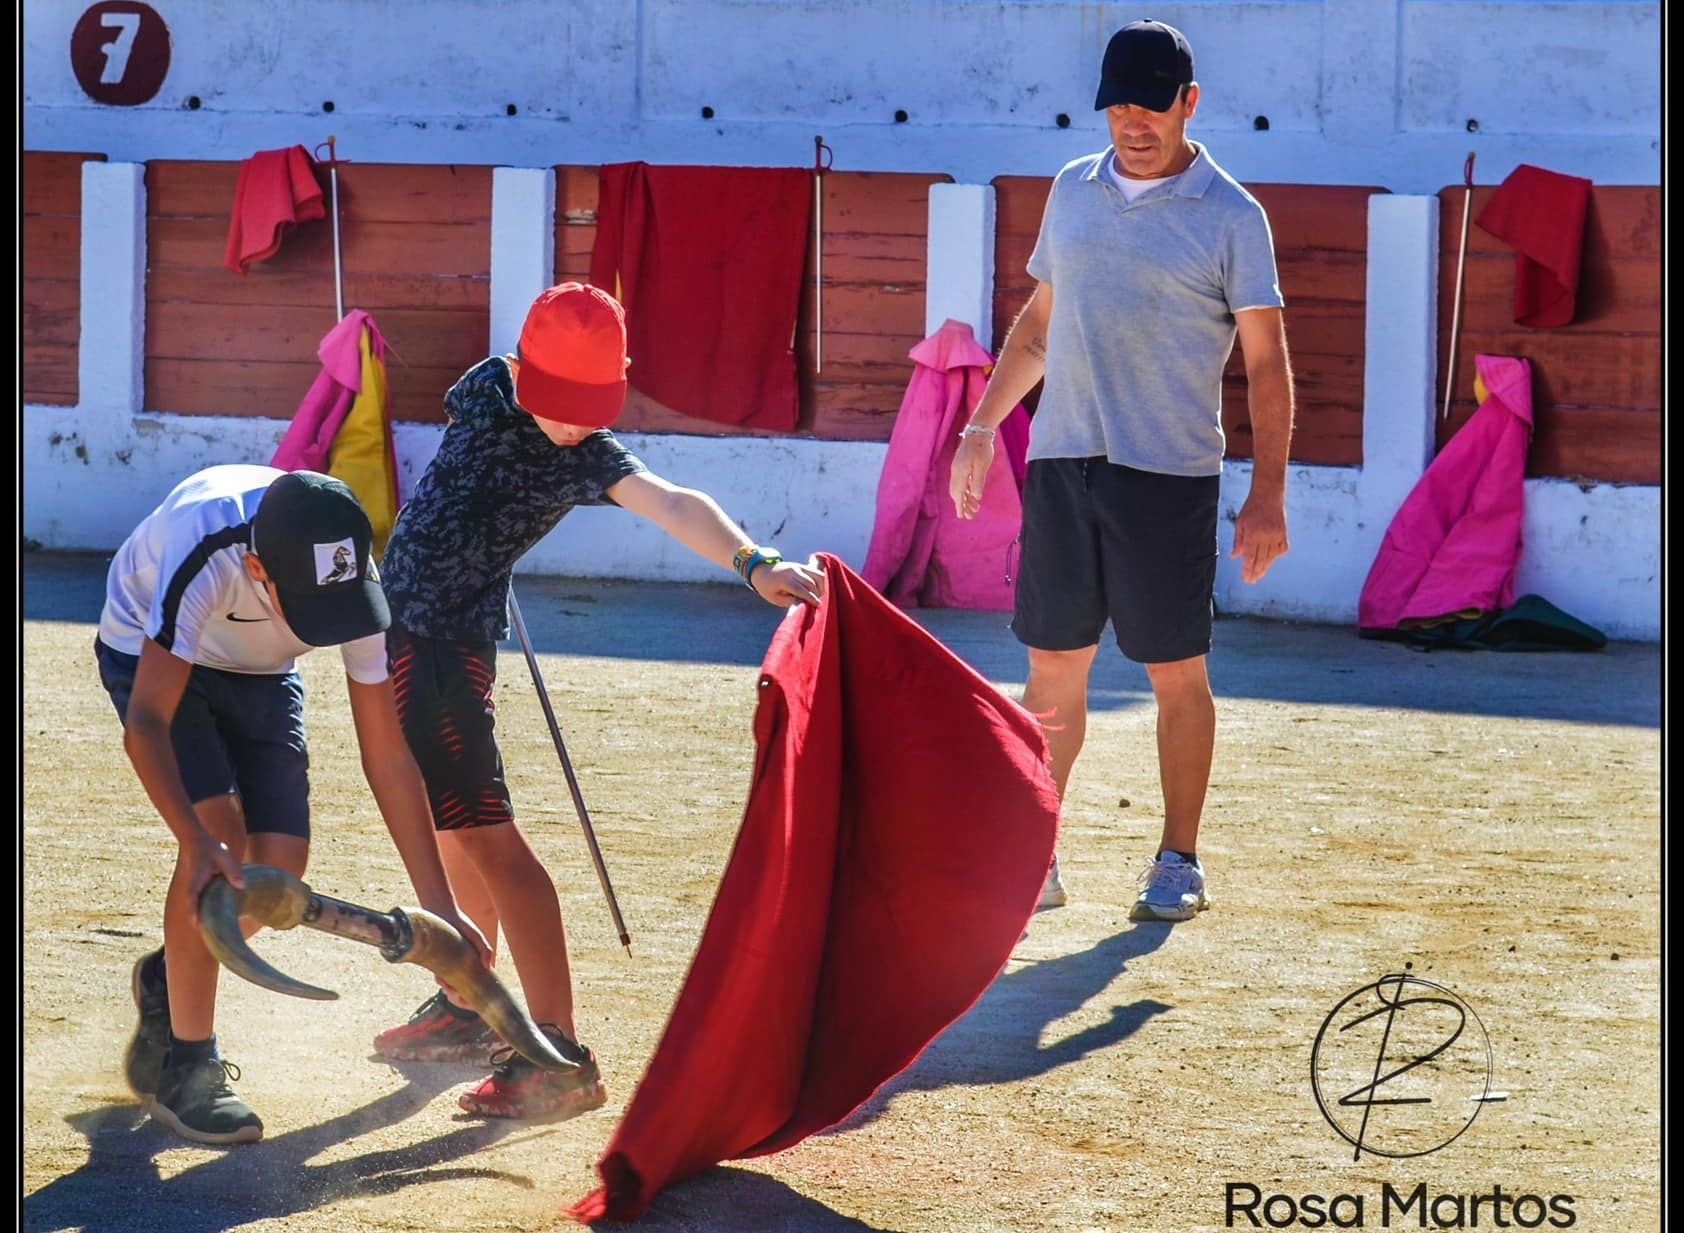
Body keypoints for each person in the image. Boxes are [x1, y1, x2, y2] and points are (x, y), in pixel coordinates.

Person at [367, 281, 826, 1120]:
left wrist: (753, 561)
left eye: (590, 405)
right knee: (450, 830)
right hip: (406, 635)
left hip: (445, 648)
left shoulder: (587, 455)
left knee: (487, 837)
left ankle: (555, 1050)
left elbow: (674, 503)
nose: (574, 423)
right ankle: (470, 1002)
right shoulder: (489, 386)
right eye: (560, 400)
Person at [948, 19, 1294, 922]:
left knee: (1176, 671)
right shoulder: (1073, 192)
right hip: (1067, 460)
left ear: (1190, 103)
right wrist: (984, 424)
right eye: (1119, 106)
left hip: (1169, 474)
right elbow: (1039, 326)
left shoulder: (1232, 215)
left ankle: (1179, 857)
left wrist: (1267, 493)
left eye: (1152, 105)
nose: (1133, 123)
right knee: (1052, 668)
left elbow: (1266, 363)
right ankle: (1037, 852)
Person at [97, 465, 489, 1145]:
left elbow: (388, 755)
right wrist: (194, 839)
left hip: (262, 668)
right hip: (150, 653)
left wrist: (441, 912)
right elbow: (147, 725)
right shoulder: (206, 547)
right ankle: (188, 1067)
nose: (333, 629)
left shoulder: (346, 570)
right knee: (221, 840)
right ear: (256, 567)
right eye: (314, 613)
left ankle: (170, 973)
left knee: (279, 866)